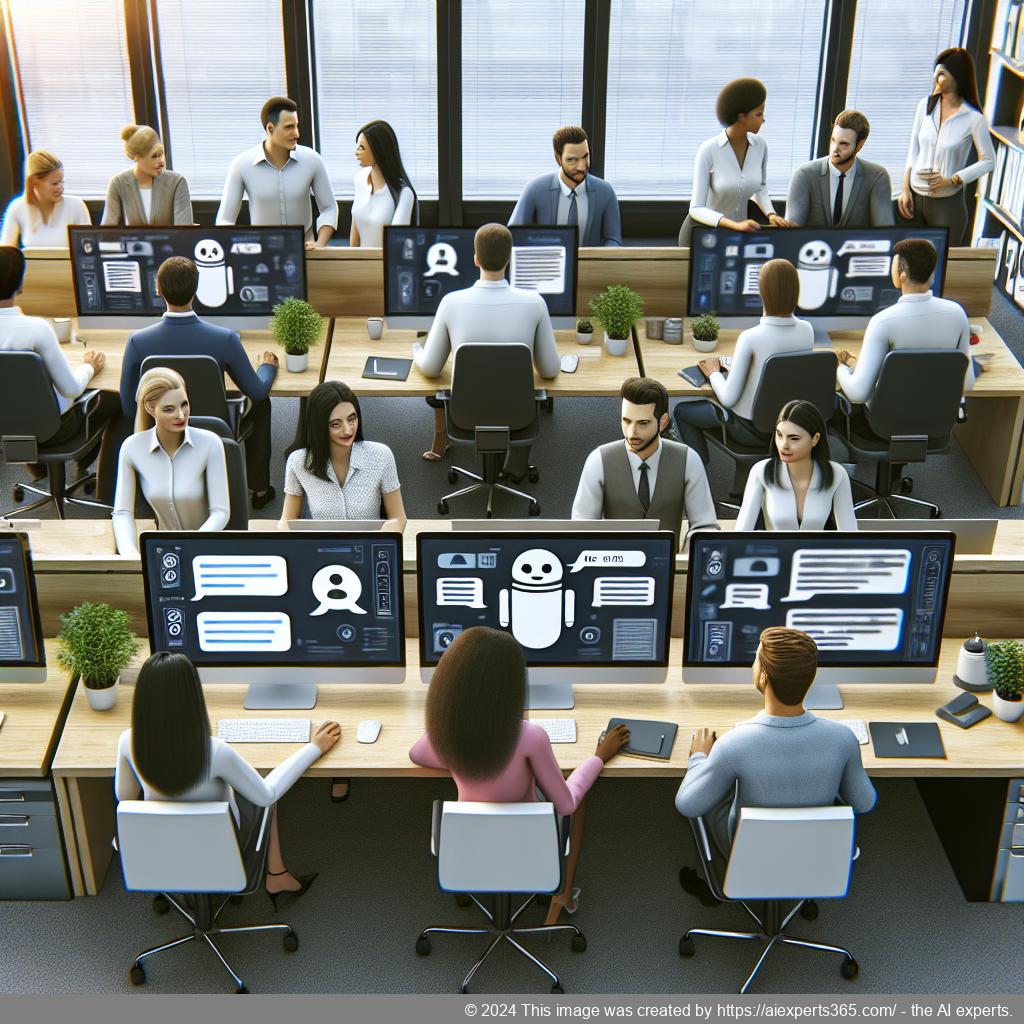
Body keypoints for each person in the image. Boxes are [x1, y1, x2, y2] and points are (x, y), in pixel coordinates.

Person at [409, 626, 630, 924]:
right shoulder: (530, 736)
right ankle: (563, 896)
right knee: (580, 797)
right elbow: (566, 804)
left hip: (468, 850)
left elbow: (417, 753)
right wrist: (598, 757)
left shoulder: (449, 731)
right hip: (530, 849)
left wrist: (454, 742)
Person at [116, 651, 341, 906]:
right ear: (192, 695)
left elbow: (124, 798)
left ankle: (267, 877)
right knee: (265, 789)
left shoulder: (127, 741)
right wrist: (314, 748)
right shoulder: (214, 750)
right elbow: (266, 795)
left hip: (162, 847)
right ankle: (276, 875)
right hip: (220, 848)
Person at [675, 627, 876, 900]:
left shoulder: (735, 744)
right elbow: (864, 802)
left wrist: (699, 757)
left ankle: (709, 881)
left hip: (751, 855)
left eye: (756, 658)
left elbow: (688, 804)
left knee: (715, 794)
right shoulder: (843, 739)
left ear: (763, 675)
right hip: (815, 854)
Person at [118, 256, 278, 509]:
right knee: (262, 405)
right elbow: (257, 391)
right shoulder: (225, 339)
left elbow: (128, 407)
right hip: (214, 430)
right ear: (196, 290)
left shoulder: (137, 342)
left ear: (158, 289)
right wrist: (268, 366)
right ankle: (259, 489)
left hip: (162, 431)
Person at [414, 223, 560, 462]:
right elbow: (551, 370)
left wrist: (417, 351)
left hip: (464, 415)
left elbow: (430, 369)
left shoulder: (451, 302)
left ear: (475, 259)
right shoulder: (535, 303)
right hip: (519, 415)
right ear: (509, 259)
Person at [673, 259, 814, 467]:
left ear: (762, 292)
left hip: (750, 430)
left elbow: (729, 398)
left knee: (681, 411)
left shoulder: (751, 337)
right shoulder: (807, 331)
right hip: (789, 427)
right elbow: (780, 373)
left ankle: (698, 474)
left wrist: (714, 372)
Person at [0, 245, 118, 483]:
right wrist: (89, 367)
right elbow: (72, 389)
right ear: (20, 283)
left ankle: (37, 464)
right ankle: (89, 468)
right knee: (115, 399)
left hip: (4, 429)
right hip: (53, 430)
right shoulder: (37, 330)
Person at [572, 377, 720, 551]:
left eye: (643, 423)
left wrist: (684, 564)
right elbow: (581, 530)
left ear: (663, 422)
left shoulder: (688, 460)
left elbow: (704, 529)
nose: (631, 433)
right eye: (626, 421)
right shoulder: (598, 461)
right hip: (613, 568)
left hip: (668, 568)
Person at [836, 238, 974, 420]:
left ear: (902, 275)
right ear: (932, 274)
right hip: (935, 423)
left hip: (884, 427)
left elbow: (858, 394)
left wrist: (840, 369)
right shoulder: (957, 314)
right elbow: (967, 383)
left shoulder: (883, 322)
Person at [113, 367, 229, 558]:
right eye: (169, 409)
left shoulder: (210, 443)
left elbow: (221, 512)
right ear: (150, 408)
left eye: (184, 405)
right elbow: (122, 513)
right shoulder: (132, 448)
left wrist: (192, 547)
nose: (181, 415)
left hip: (206, 548)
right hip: (164, 551)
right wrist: (131, 555)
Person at [280, 380, 406, 530]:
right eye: (336, 424)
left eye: (352, 419)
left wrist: (383, 541)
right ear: (319, 426)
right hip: (323, 547)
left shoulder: (381, 455)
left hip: (368, 545)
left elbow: (398, 518)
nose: (347, 430)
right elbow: (286, 521)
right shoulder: (298, 461)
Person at [898, 48, 994, 245]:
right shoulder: (924, 106)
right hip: (915, 199)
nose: (936, 77)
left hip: (947, 204)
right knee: (909, 262)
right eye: (936, 71)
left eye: (942, 73)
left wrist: (953, 179)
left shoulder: (973, 119)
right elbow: (913, 150)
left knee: (941, 264)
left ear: (957, 77)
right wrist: (905, 189)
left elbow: (989, 162)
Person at [216, 96, 337, 249]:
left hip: (306, 253)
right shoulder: (241, 164)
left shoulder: (313, 160)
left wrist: (320, 244)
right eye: (289, 127)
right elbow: (225, 219)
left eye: (296, 126)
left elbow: (329, 207)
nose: (297, 134)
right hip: (261, 254)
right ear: (270, 129)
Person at [679, 78, 786, 246]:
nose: (763, 120)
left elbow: (761, 187)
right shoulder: (708, 150)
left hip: (738, 235)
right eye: (759, 114)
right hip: (703, 234)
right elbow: (696, 209)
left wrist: (771, 214)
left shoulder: (760, 146)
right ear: (741, 117)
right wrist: (734, 225)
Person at [736, 400, 856, 531]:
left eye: (794, 438)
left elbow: (850, 535)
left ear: (815, 439)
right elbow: (741, 533)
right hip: (776, 551)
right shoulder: (761, 471)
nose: (784, 445)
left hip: (816, 551)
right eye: (779, 435)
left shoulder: (837, 474)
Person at [509, 126, 622, 247]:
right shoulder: (535, 189)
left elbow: (614, 239)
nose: (582, 166)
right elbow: (514, 237)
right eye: (572, 160)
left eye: (585, 157)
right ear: (558, 158)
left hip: (590, 264)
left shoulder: (605, 192)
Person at [780, 110, 894, 229]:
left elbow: (884, 230)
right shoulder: (804, 174)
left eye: (844, 144)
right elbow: (792, 228)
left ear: (860, 145)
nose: (835, 149)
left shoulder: (876, 176)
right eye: (833, 140)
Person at [101, 124, 193, 226]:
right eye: (155, 156)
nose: (162, 162)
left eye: (162, 154)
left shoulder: (177, 183)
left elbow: (184, 231)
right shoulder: (118, 183)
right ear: (137, 157)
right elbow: (107, 231)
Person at [0, 151, 90, 248]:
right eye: (55, 183)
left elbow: (89, 249)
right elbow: (6, 253)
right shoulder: (17, 207)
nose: (61, 187)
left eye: (62, 182)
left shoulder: (76, 205)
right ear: (35, 182)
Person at [350, 120, 416, 247]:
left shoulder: (404, 193)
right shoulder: (360, 179)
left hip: (385, 264)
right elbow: (355, 235)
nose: (356, 152)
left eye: (362, 147)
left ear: (379, 150)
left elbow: (397, 243)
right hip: (360, 263)